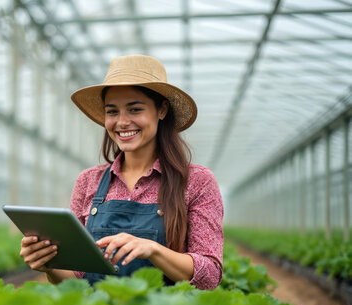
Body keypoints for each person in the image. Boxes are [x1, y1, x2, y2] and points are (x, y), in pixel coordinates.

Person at [19, 54, 223, 290]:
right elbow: (78, 278)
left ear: (162, 110)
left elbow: (209, 276)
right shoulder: (89, 181)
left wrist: (153, 249)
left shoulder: (196, 181)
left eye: (135, 109)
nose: (122, 122)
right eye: (112, 112)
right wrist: (49, 265)